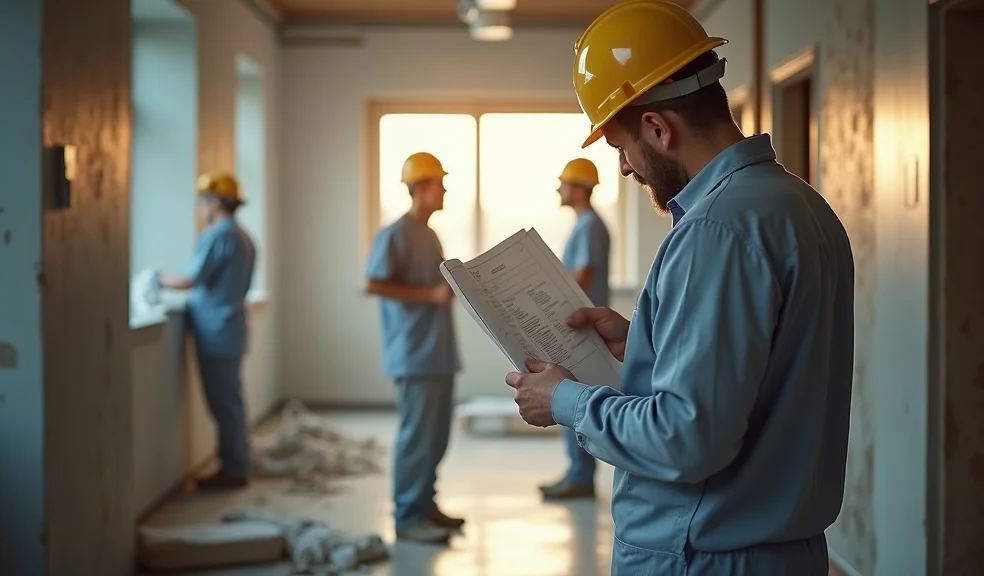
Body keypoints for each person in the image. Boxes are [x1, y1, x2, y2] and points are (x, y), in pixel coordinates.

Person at [504, 2, 855, 575]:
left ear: (658, 128)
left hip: (704, 556)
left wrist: (565, 401)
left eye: (620, 146)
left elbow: (687, 439)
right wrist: (645, 339)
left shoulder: (715, 230)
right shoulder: (801, 206)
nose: (623, 168)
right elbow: (759, 371)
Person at [364, 151, 464, 545]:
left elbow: (439, 289)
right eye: (439, 183)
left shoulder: (430, 234)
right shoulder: (394, 234)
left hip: (438, 351)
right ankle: (407, 518)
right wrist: (430, 295)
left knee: (436, 436)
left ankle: (425, 505)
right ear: (420, 188)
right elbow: (372, 283)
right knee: (416, 437)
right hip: (413, 352)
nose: (444, 190)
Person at [159, 171, 256, 490]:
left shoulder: (218, 236)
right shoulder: (243, 237)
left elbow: (191, 279)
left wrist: (157, 279)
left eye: (203, 201)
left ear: (214, 202)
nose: (200, 208)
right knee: (231, 403)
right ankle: (237, 463)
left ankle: (234, 469)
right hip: (230, 329)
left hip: (216, 332)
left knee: (224, 404)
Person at [538, 158, 611, 501]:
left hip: (582, 330)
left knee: (575, 400)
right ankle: (576, 473)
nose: (558, 188)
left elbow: (582, 276)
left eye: (564, 183)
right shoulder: (585, 224)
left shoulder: (590, 226)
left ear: (579, 188)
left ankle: (581, 477)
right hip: (579, 328)